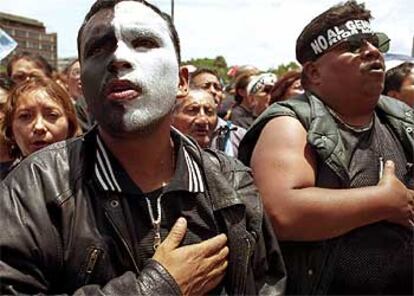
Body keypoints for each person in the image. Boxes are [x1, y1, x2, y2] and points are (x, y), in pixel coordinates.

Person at [0, 1, 286, 295]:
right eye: (99, 48)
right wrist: (156, 288)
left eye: (144, 43)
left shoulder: (233, 183)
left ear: (181, 81)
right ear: (82, 87)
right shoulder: (34, 187)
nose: (119, 58)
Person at [239, 1, 413, 294]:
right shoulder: (292, 121)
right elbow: (281, 212)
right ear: (314, 73)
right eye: (353, 46)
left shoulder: (401, 117)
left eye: (375, 43)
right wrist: (383, 201)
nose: (372, 51)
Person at [0, 77, 80, 164]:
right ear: (11, 131)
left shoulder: (91, 172)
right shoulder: (10, 177)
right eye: (25, 116)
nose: (39, 127)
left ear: (70, 126)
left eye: (52, 115)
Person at [190, 68, 246, 157]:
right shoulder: (180, 130)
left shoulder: (238, 135)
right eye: (205, 86)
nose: (213, 91)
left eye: (217, 88)